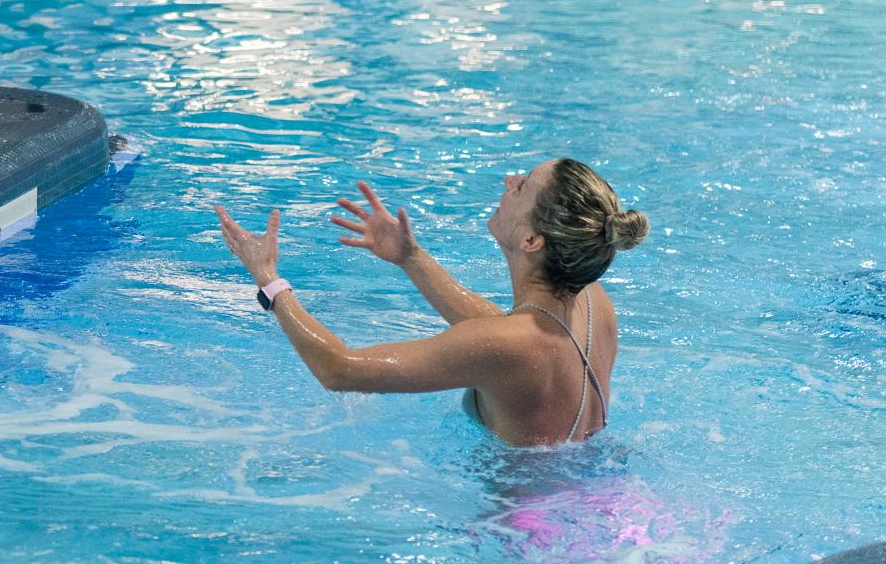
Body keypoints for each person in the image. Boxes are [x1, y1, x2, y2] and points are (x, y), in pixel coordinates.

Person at [215, 159, 649, 446]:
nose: (509, 181)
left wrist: (269, 281)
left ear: (533, 239)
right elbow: (507, 335)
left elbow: (339, 369)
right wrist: (411, 258)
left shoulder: (508, 345)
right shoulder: (592, 302)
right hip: (598, 492)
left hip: (531, 525)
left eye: (523, 187)